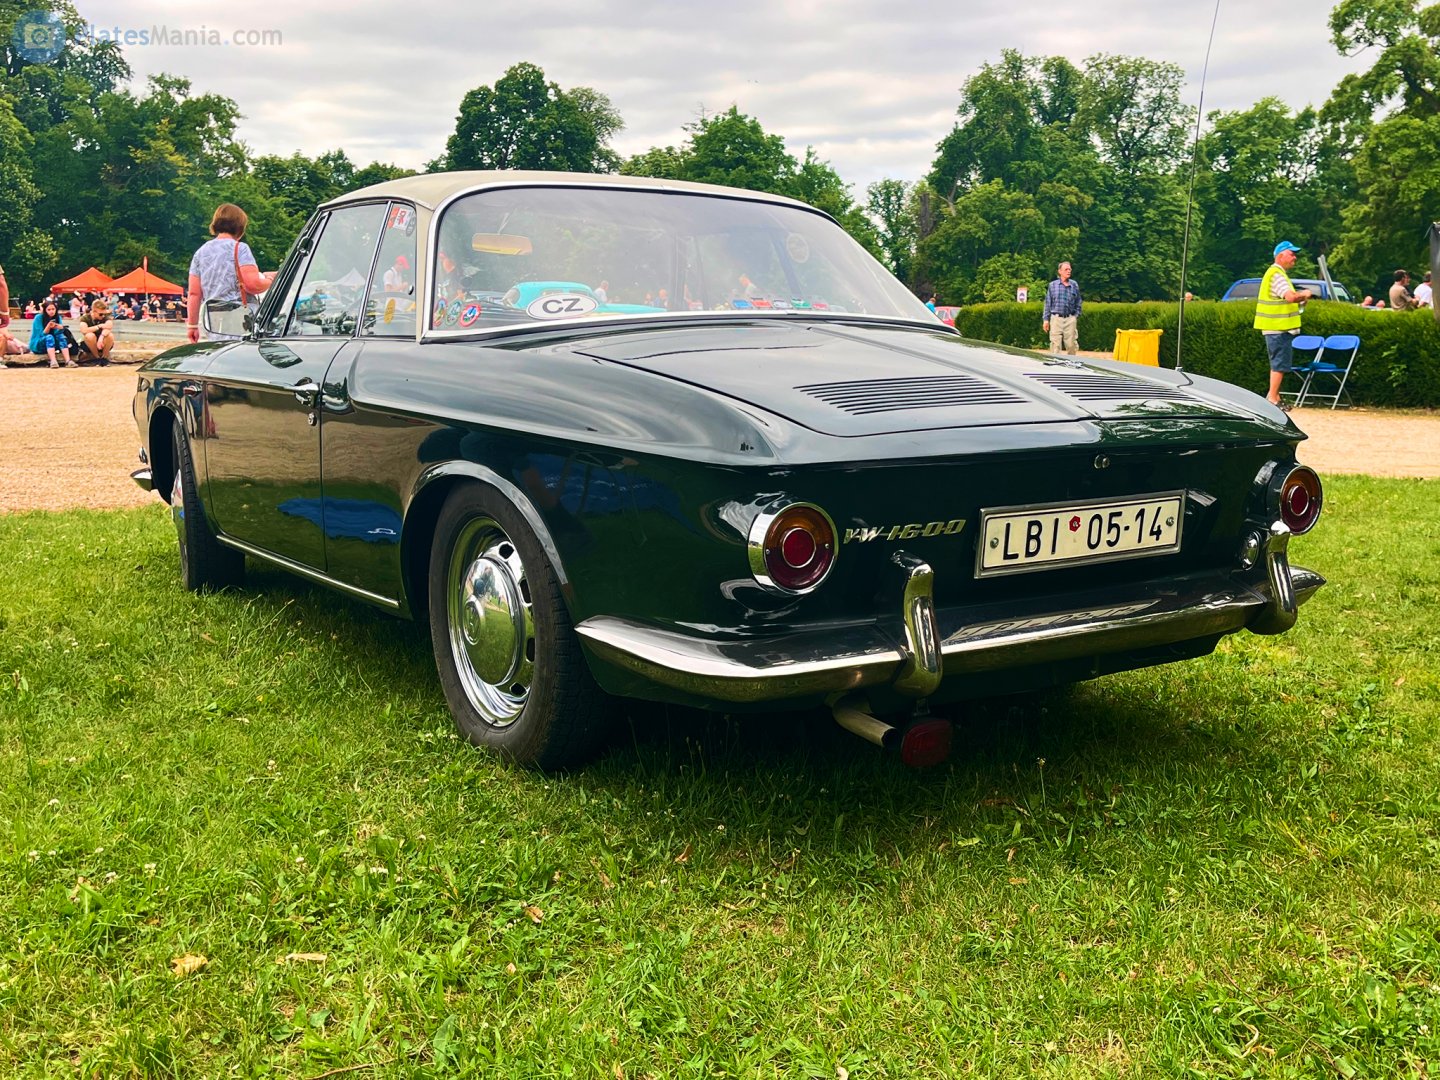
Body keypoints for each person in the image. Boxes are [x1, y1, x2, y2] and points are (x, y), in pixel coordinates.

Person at [187, 202, 276, 343]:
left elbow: (194, 293)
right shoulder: (240, 249)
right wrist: (270, 280)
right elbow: (252, 285)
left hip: (214, 319)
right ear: (240, 227)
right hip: (239, 318)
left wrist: (192, 326)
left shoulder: (200, 253)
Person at [1253, 241, 1313, 407]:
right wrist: (1305, 294)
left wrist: (1300, 300)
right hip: (1278, 327)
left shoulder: (1276, 273)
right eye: (1291, 254)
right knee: (1279, 365)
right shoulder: (1277, 275)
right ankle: (1272, 399)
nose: (1295, 257)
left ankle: (1275, 398)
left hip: (1275, 327)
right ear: (1280, 256)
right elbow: (1290, 297)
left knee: (1278, 364)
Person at [1042, 261, 1082, 354]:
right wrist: (1046, 320)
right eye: (1066, 269)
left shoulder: (1074, 285)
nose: (1069, 271)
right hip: (1056, 319)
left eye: (1070, 269)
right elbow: (1048, 303)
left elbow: (1078, 301)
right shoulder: (1052, 285)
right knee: (1055, 345)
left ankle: (1071, 361)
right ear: (1060, 271)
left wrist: (1075, 316)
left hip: (1070, 318)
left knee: (1071, 345)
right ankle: (1055, 361)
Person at [30, 299, 78, 367]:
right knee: (49, 337)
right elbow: (41, 334)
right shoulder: (38, 318)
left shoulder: (58, 317)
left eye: (53, 309)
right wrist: (48, 326)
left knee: (61, 336)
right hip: (39, 343)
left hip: (53, 343)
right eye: (49, 310)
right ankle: (53, 361)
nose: (51, 311)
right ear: (45, 310)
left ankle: (68, 361)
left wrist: (59, 327)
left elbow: (58, 333)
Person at [78, 299, 116, 364]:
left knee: (110, 335)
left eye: (104, 314)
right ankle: (97, 358)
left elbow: (109, 326)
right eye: (100, 314)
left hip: (102, 343)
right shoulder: (85, 318)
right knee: (89, 335)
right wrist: (98, 326)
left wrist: (101, 337)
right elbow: (84, 330)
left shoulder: (105, 317)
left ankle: (104, 358)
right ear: (94, 311)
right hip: (89, 344)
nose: (103, 316)